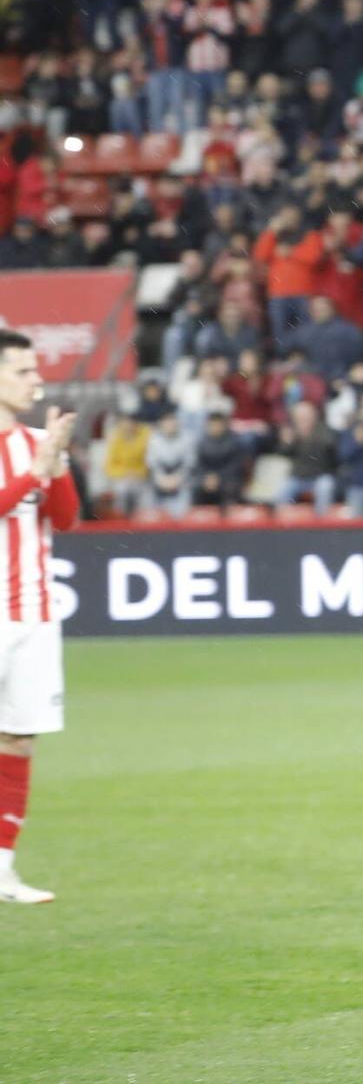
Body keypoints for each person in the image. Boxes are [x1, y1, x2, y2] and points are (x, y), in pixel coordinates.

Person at [0, 331, 78, 903]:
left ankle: (3, 869)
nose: (37, 381)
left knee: (19, 738)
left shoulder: (36, 440)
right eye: (25, 371)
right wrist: (33, 474)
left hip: (35, 611)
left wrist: (55, 466)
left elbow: (68, 519)